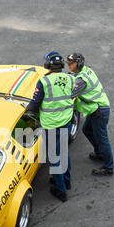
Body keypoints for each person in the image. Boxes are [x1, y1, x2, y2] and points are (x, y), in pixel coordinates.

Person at [24, 51, 74, 202]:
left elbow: (34, 103)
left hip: (51, 124)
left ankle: (61, 190)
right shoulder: (69, 78)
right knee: (64, 151)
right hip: (66, 120)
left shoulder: (44, 82)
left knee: (54, 157)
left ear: (48, 65)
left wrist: (26, 112)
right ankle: (66, 181)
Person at [66, 53, 114, 176]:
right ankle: (99, 153)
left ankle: (108, 167)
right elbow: (73, 78)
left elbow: (70, 94)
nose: (69, 66)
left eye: (71, 64)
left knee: (102, 139)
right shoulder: (86, 70)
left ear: (79, 64)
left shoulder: (81, 80)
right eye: (68, 63)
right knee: (87, 130)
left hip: (98, 111)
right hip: (95, 109)